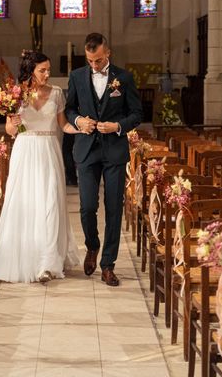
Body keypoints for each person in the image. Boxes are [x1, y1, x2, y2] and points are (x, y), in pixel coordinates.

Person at [0, 51, 81, 284]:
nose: (47, 74)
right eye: (42, 70)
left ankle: (48, 263)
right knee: (27, 203)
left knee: (50, 201)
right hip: (25, 150)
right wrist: (14, 123)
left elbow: (64, 126)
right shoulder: (15, 94)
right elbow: (10, 131)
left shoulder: (57, 93)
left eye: (48, 69)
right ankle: (27, 256)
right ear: (31, 70)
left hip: (49, 150)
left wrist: (83, 127)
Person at [64, 33, 143, 286]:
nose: (94, 66)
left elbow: (137, 113)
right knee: (87, 206)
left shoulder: (124, 77)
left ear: (107, 52)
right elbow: (69, 108)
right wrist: (79, 121)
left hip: (114, 151)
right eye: (90, 61)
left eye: (98, 60)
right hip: (86, 149)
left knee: (113, 209)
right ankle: (92, 245)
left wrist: (118, 126)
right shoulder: (77, 76)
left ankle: (108, 264)